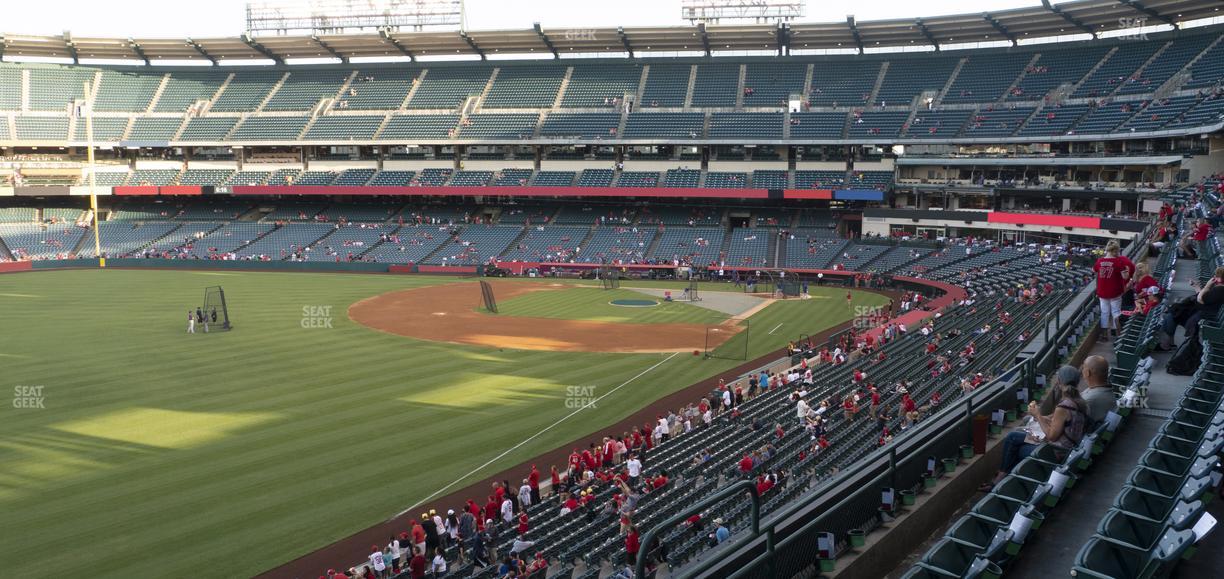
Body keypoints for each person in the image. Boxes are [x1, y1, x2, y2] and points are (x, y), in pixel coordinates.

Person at [981, 379, 1089, 490]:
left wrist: (1037, 415)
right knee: (1015, 436)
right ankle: (1005, 475)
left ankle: (1002, 477)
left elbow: (1052, 436)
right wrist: (1038, 416)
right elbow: (1055, 423)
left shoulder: (1064, 407)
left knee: (1015, 443)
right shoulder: (1078, 403)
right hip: (1062, 448)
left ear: (1061, 385)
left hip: (1054, 452)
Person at [1093, 240, 1134, 342]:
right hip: (1115, 291)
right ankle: (1118, 335)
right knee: (1116, 312)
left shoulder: (1100, 261)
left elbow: (1093, 270)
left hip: (1102, 291)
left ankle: (1104, 335)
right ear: (1115, 250)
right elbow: (1125, 277)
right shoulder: (1118, 262)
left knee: (1104, 313)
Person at [1079, 355, 1117, 427]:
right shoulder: (1105, 388)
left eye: (1083, 367)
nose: (1082, 370)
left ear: (1087, 373)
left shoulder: (1087, 401)